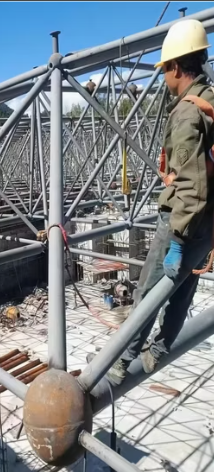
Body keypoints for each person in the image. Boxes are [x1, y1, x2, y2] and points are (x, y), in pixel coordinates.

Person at [87, 19, 214, 385]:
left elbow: (190, 183)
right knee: (182, 293)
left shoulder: (188, 112)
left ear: (176, 66)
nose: (163, 79)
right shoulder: (211, 100)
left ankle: (117, 364)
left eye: (165, 71)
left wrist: (176, 239)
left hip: (182, 223)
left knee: (147, 295)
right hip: (207, 225)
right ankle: (158, 350)